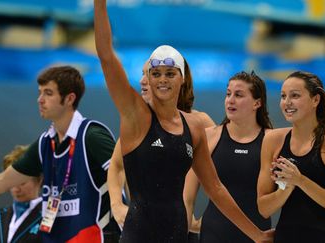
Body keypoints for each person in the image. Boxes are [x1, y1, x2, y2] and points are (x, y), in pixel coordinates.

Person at [94, 1, 274, 242]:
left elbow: (216, 189)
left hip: (178, 234)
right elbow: (106, 56)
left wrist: (257, 235)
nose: (162, 80)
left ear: (182, 78)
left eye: (169, 74)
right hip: (139, 234)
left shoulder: (194, 126)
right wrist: (99, 4)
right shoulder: (136, 116)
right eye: (155, 74)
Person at [0, 66, 119, 243]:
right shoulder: (45, 143)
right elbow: (1, 182)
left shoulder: (92, 136)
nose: (40, 100)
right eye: (40, 93)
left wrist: (122, 207)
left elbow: (126, 172)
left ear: (69, 98)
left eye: (48, 93)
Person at [107, 60, 215, 233]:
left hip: (181, 228)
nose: (143, 80)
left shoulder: (198, 124)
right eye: (147, 74)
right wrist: (117, 205)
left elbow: (219, 178)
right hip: (143, 227)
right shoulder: (139, 124)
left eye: (151, 73)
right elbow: (116, 166)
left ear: (180, 79)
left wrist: (209, 219)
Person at [257, 71, 325, 242]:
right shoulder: (273, 140)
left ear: (315, 100)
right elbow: (264, 208)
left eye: (295, 95)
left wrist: (300, 181)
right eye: (283, 96)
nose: (287, 102)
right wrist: (286, 188)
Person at [184, 71, 273, 243]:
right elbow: (187, 198)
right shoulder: (208, 137)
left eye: (238, 95)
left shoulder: (272, 140)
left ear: (257, 103)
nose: (230, 100)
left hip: (259, 237)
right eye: (228, 94)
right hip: (214, 235)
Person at [0, 145, 43, 243]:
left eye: (22, 182)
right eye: (11, 182)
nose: (16, 189)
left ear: (39, 179)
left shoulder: (52, 219)